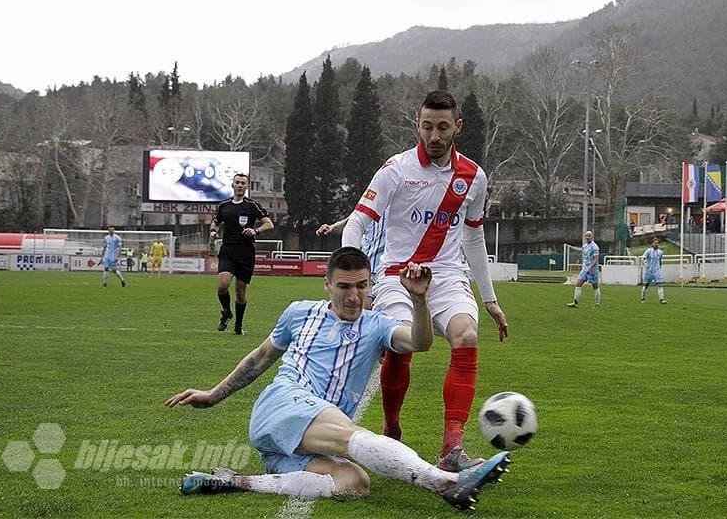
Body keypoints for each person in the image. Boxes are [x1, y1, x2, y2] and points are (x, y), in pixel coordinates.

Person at [165, 247, 510, 510]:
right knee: (351, 435)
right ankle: (447, 483)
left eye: (361, 286)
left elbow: (419, 342)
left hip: (292, 441)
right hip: (283, 403)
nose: (353, 296)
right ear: (326, 284)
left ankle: (235, 482)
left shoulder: (376, 325)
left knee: (353, 481)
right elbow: (260, 357)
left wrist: (420, 301)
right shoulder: (299, 312)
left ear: (370, 284)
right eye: (344, 286)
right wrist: (212, 395)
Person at [341, 90, 509, 471]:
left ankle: (452, 449)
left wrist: (490, 298)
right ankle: (392, 425)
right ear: (417, 124)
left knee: (466, 336)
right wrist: (358, 282)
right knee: (403, 342)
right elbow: (357, 222)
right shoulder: (395, 170)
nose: (434, 136)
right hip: (396, 274)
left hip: (447, 274)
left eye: (443, 127)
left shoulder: (474, 177)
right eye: (427, 127)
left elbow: (474, 236)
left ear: (457, 128)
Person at [210, 173, 273, 335]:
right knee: (223, 285)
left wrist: (256, 230)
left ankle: (238, 325)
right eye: (237, 182)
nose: (239, 185)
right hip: (227, 250)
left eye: (243, 183)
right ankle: (226, 312)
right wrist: (212, 231)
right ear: (232, 185)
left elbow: (269, 223)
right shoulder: (224, 205)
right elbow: (216, 221)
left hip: (246, 252)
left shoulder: (252, 205)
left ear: (246, 187)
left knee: (240, 291)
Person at [318, 209, 388, 309]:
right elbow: (352, 219)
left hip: (384, 271)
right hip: (365, 268)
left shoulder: (397, 201)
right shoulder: (371, 201)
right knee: (358, 310)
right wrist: (332, 227)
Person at [567, 230, 600, 309]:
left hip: (592, 270)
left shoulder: (595, 247)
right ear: (585, 237)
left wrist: (590, 267)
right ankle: (575, 302)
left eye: (589, 235)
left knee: (595, 286)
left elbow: (596, 259)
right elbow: (585, 257)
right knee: (578, 283)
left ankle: (597, 304)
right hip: (585, 269)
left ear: (592, 237)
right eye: (587, 236)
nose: (588, 237)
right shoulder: (584, 246)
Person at [641, 238, 667, 304]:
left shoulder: (660, 252)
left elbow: (660, 261)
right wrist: (645, 264)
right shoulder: (648, 251)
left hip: (657, 271)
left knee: (660, 285)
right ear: (652, 244)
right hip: (649, 271)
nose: (656, 244)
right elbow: (642, 258)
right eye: (655, 243)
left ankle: (661, 300)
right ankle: (643, 299)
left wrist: (660, 267)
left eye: (657, 243)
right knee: (646, 285)